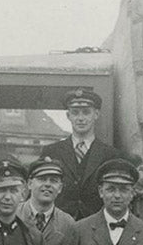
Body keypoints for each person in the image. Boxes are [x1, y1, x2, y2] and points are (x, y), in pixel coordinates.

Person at [39, 87, 127, 220]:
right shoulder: (52, 151)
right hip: (59, 224)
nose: (80, 118)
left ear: (96, 114)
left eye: (86, 112)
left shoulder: (111, 155)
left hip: (96, 225)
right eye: (75, 113)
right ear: (68, 116)